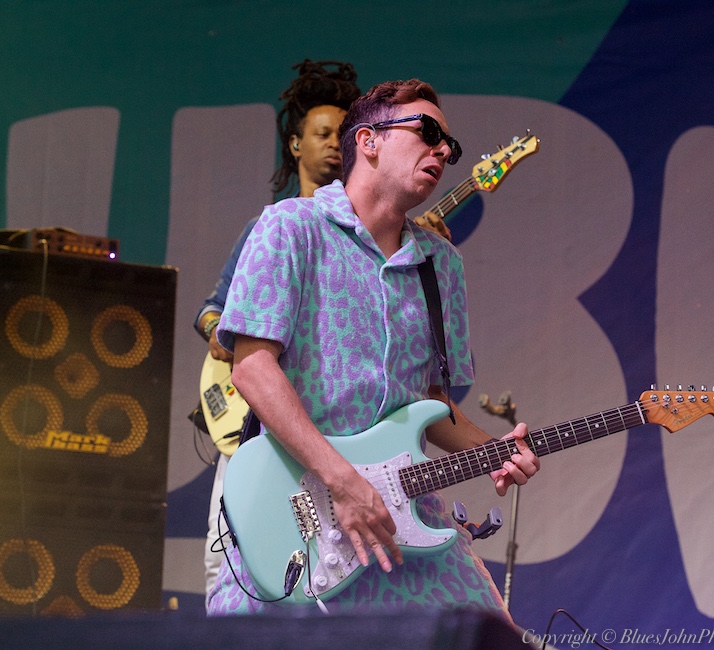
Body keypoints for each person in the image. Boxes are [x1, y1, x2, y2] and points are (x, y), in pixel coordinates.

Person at [207, 79, 540, 620]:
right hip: (297, 506)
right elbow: (252, 369)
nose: (442, 151)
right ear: (368, 140)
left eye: (450, 146)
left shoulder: (441, 265)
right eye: (428, 132)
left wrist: (492, 452)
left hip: (403, 515)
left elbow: (427, 403)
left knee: (487, 633)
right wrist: (342, 481)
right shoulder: (291, 226)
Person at [194, 59, 362, 605]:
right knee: (227, 560)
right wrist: (221, 333)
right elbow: (211, 310)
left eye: (343, 134)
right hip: (257, 426)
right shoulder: (271, 228)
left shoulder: (368, 237)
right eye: (322, 133)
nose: (335, 143)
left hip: (330, 428)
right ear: (295, 145)